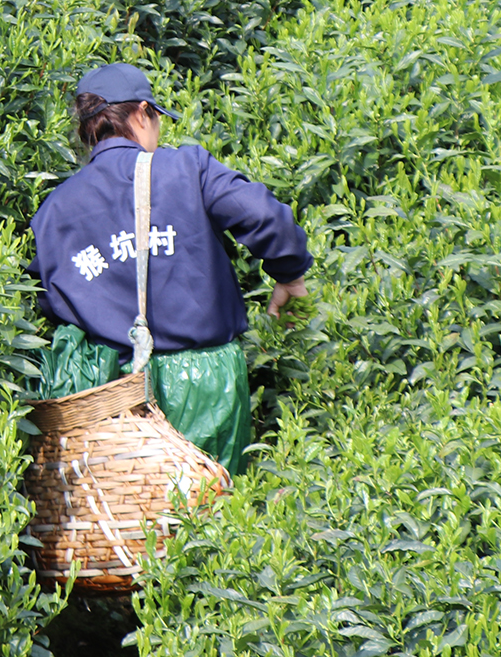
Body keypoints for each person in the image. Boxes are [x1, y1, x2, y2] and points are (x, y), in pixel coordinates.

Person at [28, 63, 310, 474]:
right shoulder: (187, 168)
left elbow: (45, 300)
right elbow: (264, 215)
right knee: (207, 516)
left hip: (109, 394)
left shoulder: (54, 210)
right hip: (205, 381)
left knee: (127, 521)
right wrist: (290, 274)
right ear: (143, 113)